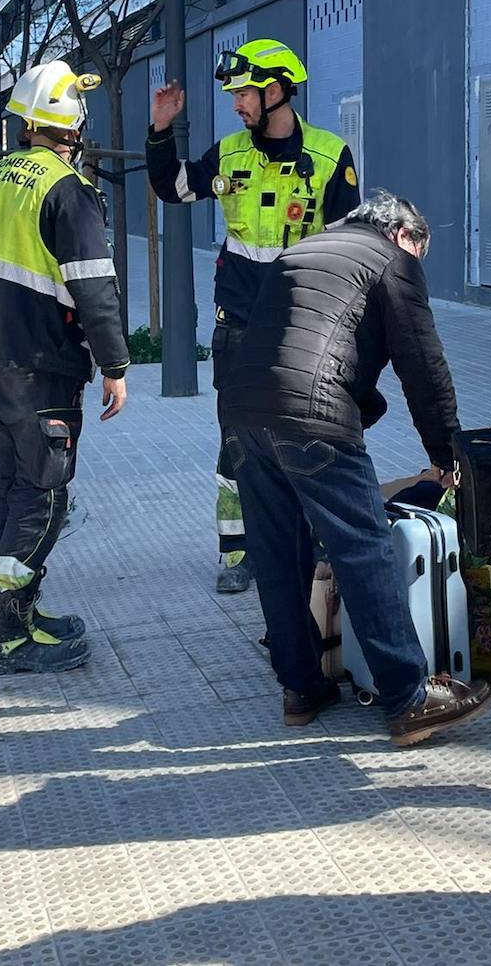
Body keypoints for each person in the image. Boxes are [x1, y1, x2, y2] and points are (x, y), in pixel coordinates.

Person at [220, 190, 491, 746]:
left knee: (277, 553)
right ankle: (408, 696)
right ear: (402, 235)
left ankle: (301, 687)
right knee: (364, 546)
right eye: (420, 250)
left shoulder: (305, 250)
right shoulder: (394, 261)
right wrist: (446, 454)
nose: (418, 263)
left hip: (244, 413)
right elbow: (423, 363)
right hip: (312, 417)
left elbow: (305, 343)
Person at [147, 39, 361, 594]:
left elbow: (348, 246)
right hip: (239, 326)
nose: (237, 103)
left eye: (244, 91)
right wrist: (160, 131)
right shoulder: (229, 153)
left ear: (275, 89)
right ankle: (240, 550)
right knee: (238, 441)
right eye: (235, 93)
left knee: (309, 437)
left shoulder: (331, 156)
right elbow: (173, 189)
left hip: (307, 328)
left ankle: (312, 541)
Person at [0, 60, 129, 675]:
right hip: (43, 366)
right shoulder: (67, 190)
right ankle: (10, 634)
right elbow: (95, 287)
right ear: (73, 123)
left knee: (12, 487)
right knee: (45, 495)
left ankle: (17, 618)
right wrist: (115, 363)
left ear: (25, 121)